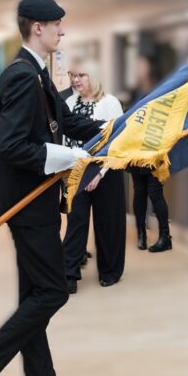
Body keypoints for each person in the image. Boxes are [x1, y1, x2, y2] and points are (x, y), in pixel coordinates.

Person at [0, 0, 104, 376]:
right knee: (54, 291)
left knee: (35, 293)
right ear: (36, 27)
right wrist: (69, 158)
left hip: (32, 199)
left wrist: (114, 127)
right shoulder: (22, 75)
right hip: (28, 200)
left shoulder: (36, 74)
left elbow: (62, 120)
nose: (63, 31)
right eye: (57, 24)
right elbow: (14, 145)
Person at [62, 61, 125, 292]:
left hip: (105, 172)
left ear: (94, 77)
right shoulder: (68, 103)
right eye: (73, 75)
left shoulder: (110, 103)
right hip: (76, 171)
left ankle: (110, 272)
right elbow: (65, 140)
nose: (76, 80)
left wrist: (99, 172)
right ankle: (69, 272)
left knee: (108, 223)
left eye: (81, 75)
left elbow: (117, 142)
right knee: (76, 222)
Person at [129, 53, 171, 252]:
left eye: (141, 65)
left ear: (150, 68)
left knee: (155, 193)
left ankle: (165, 236)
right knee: (139, 193)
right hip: (137, 150)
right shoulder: (136, 91)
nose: (138, 69)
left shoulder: (161, 90)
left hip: (154, 150)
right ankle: (141, 233)